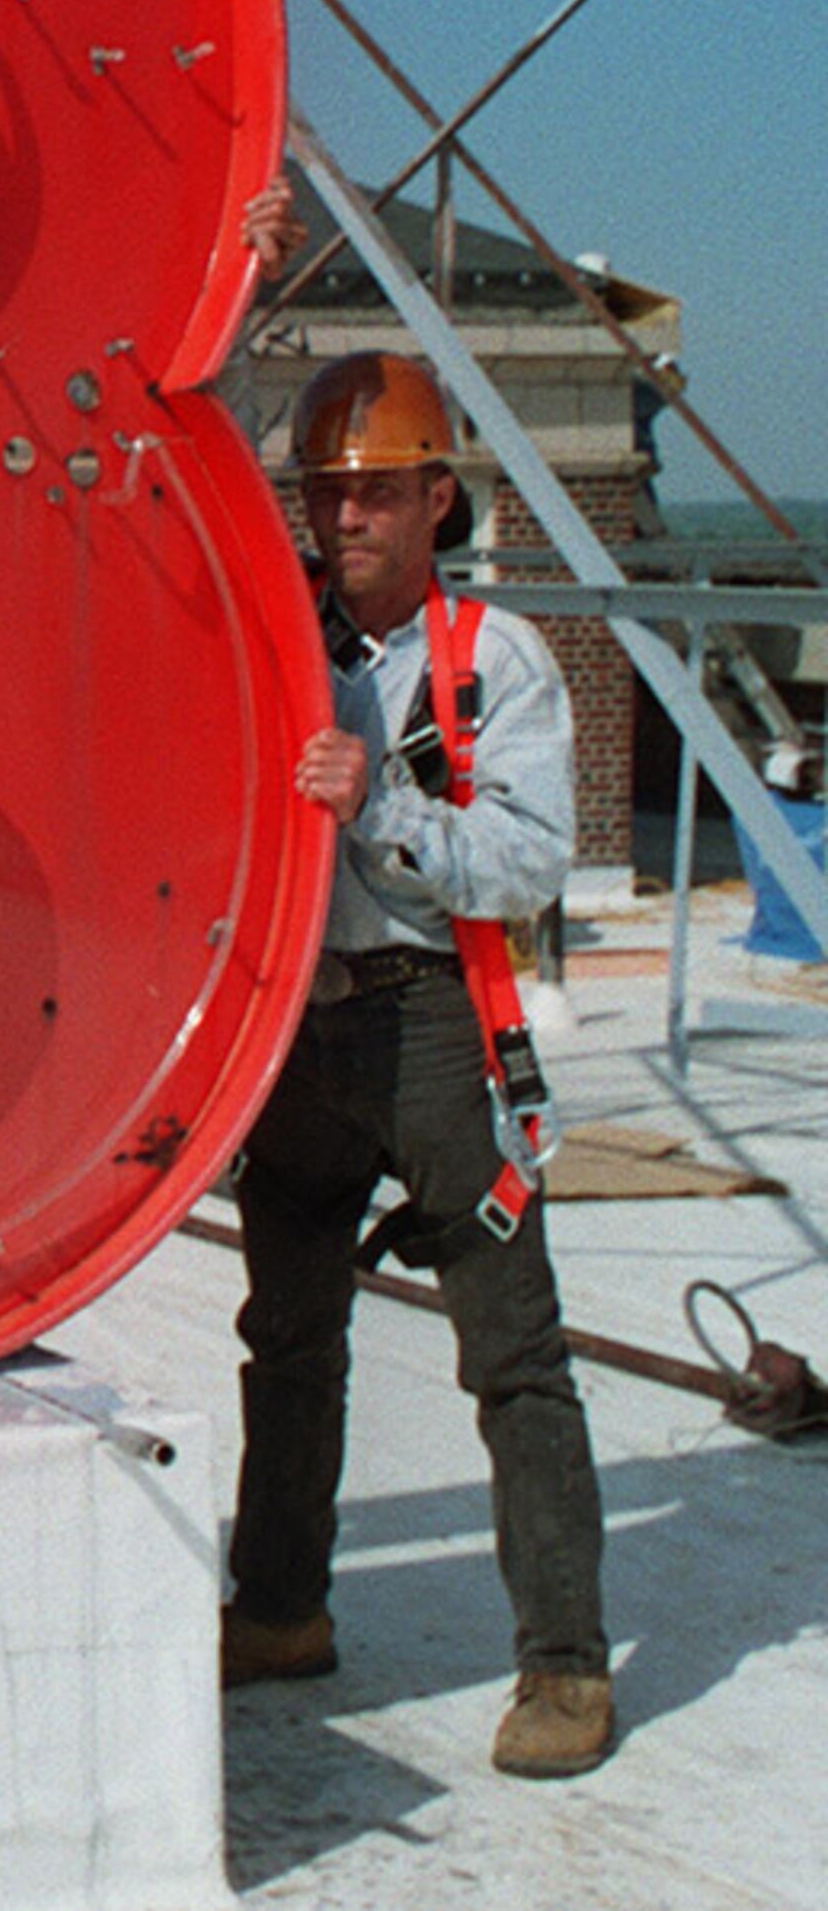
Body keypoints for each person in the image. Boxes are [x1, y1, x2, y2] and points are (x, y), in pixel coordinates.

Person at [223, 350, 614, 1779]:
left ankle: (565, 1664)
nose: (348, 518)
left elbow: (524, 863)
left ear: (439, 497)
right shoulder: (281, 642)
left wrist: (381, 803)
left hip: (442, 1021)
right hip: (309, 1029)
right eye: (329, 494)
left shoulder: (492, 660)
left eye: (378, 491)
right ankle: (279, 1607)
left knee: (514, 1356)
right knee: (288, 1338)